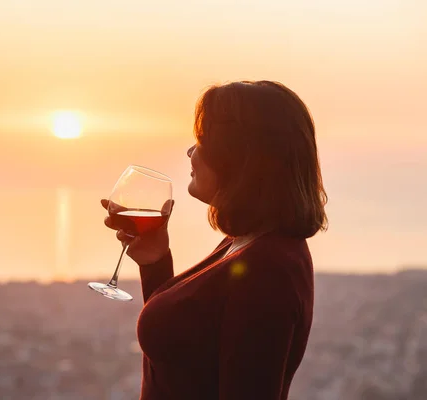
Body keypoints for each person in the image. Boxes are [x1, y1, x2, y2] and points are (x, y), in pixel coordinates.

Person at [102, 80, 328, 400]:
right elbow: (184, 352)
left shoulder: (267, 268)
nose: (190, 151)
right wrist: (155, 261)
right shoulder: (243, 243)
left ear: (240, 157)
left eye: (203, 139)